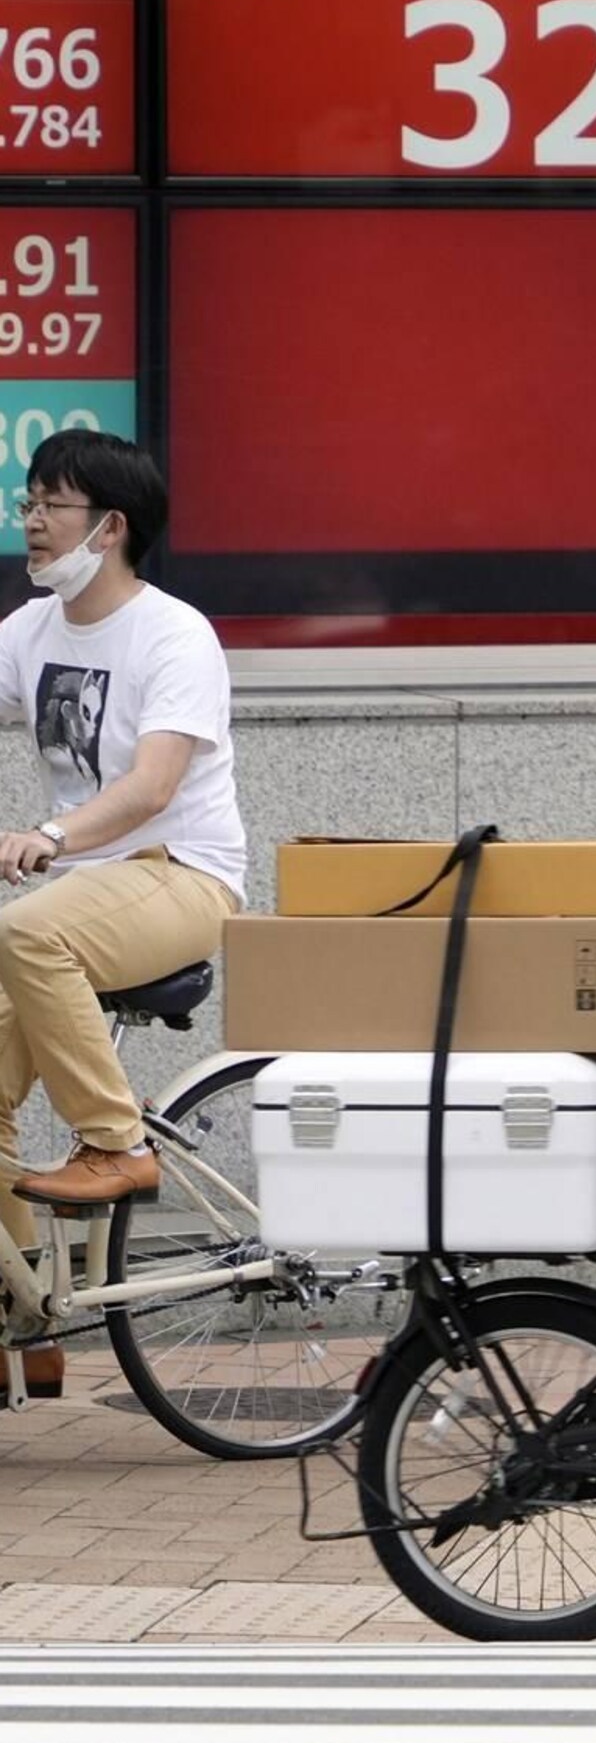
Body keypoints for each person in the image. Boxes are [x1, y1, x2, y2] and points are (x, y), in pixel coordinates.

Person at [0, 431, 245, 1398]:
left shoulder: (174, 635)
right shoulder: (30, 631)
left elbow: (150, 788)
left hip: (178, 875)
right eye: (27, 498)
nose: (30, 517)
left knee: (26, 929)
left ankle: (119, 1145)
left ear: (110, 527)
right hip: (81, 892)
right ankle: (28, 1312)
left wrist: (51, 835)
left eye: (51, 503)